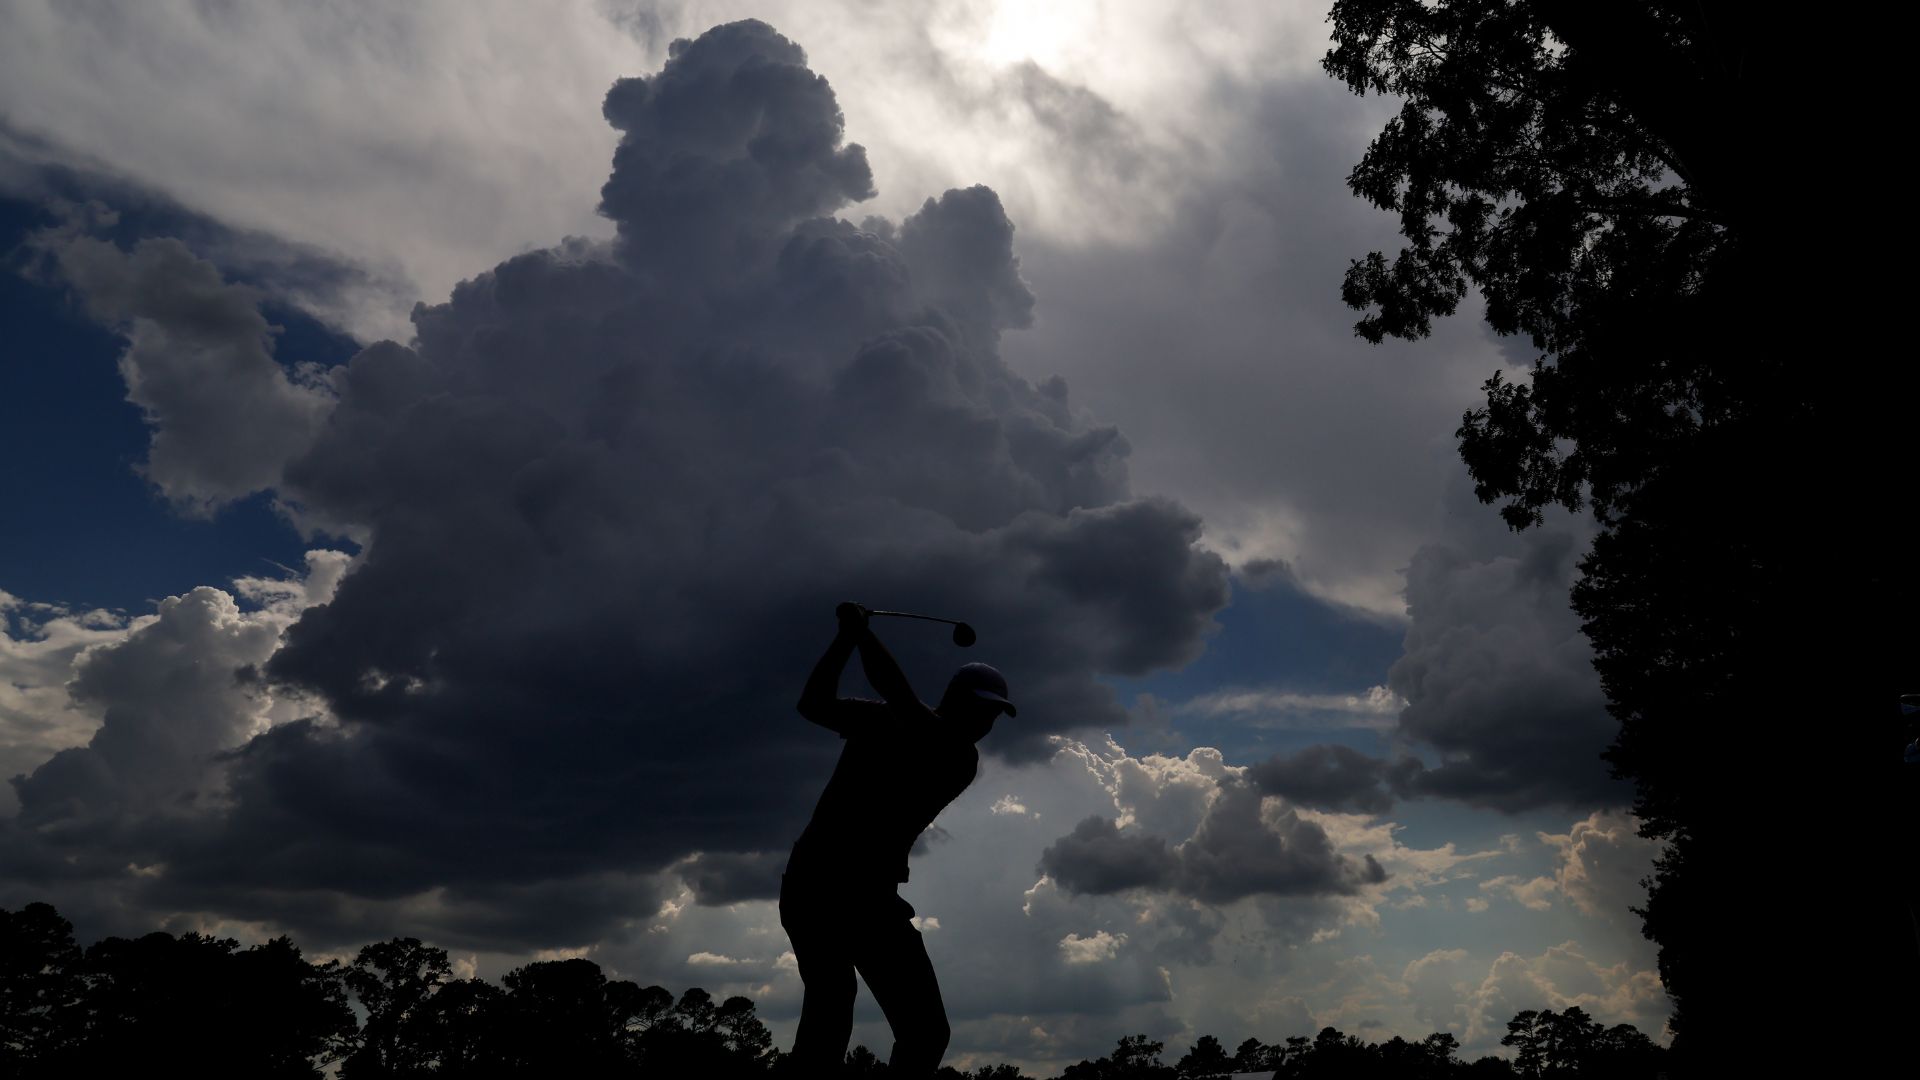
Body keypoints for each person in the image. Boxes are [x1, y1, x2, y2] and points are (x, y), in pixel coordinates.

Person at [779, 601, 1016, 1077]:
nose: (986, 724)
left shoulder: (957, 758)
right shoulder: (888, 719)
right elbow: (814, 703)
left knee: (923, 1030)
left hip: (857, 894)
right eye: (981, 710)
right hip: (820, 887)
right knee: (833, 1008)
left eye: (994, 716)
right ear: (955, 701)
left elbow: (897, 695)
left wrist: (858, 633)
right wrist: (847, 638)